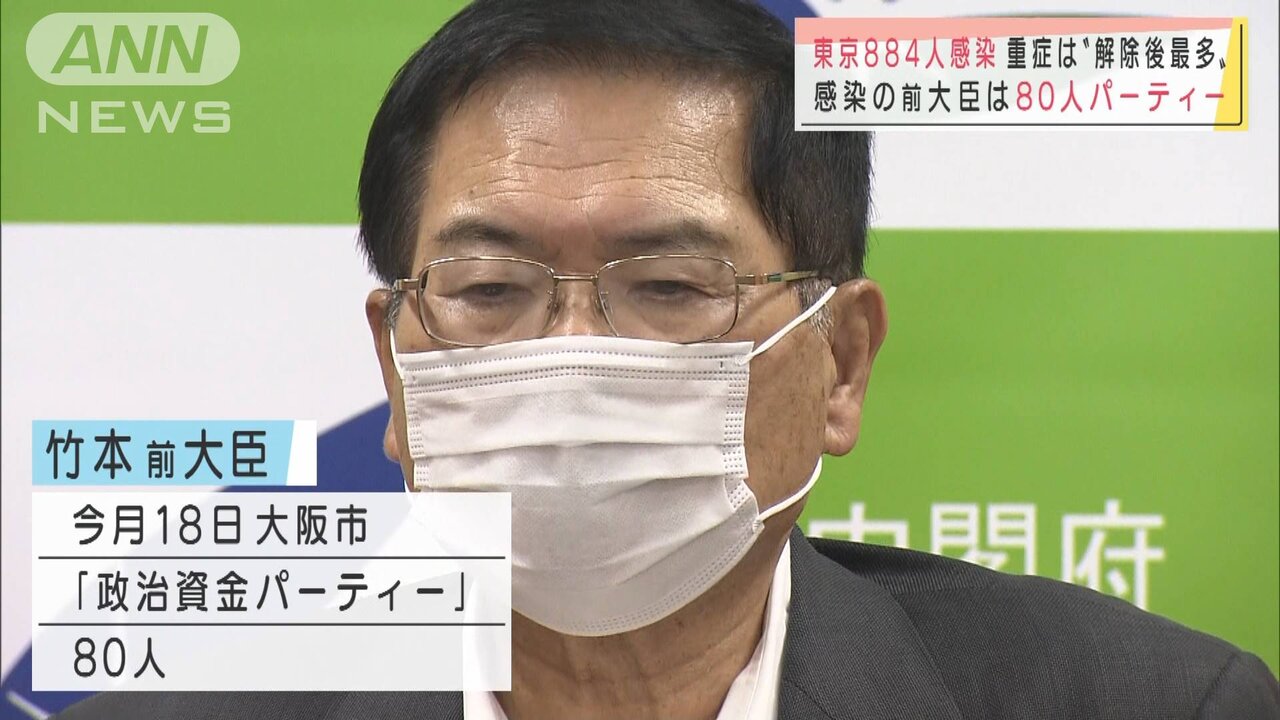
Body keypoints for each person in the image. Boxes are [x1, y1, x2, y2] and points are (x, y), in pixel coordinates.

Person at [59, 0, 1279, 718]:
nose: (571, 359)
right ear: (396, 371)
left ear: (839, 363)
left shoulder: (1143, 705)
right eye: (488, 291)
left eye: (670, 288)